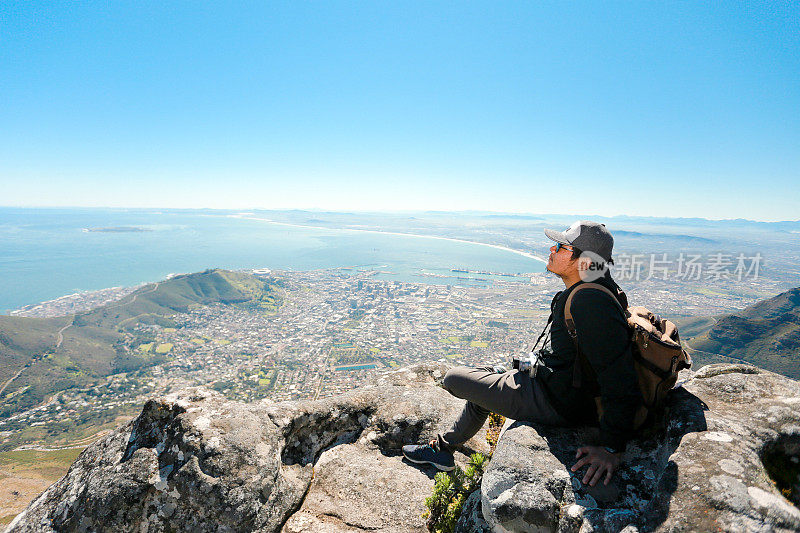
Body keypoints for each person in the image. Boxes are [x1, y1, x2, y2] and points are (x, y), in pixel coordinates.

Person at [402, 221, 641, 487]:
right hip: (558, 388)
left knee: (454, 379)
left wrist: (611, 448)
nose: (552, 248)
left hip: (558, 402)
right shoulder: (594, 287)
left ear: (584, 261)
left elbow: (619, 376)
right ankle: (444, 449)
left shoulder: (590, 302)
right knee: (485, 385)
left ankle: (442, 450)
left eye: (562, 246)